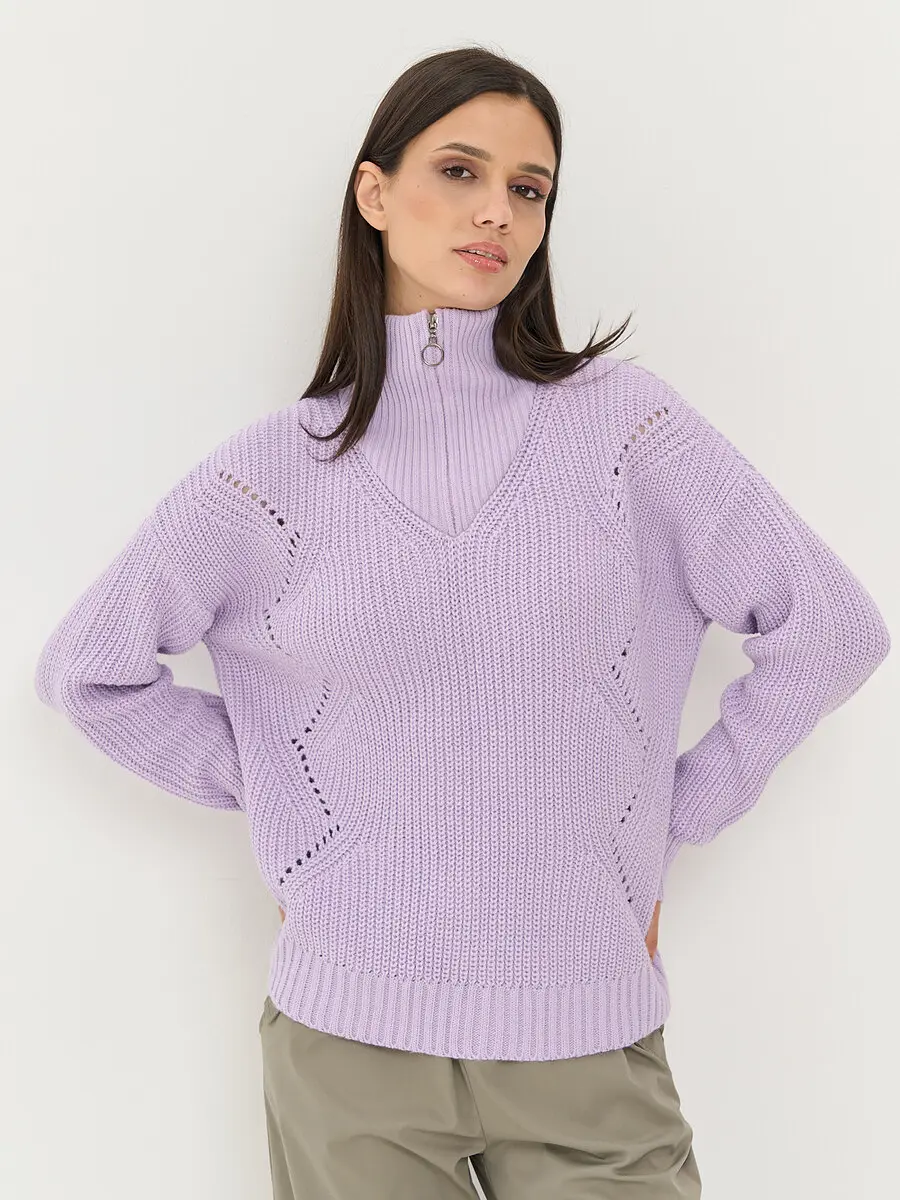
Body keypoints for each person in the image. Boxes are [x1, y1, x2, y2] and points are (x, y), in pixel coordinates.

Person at [34, 45, 890, 1200]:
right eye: (460, 170)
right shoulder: (270, 477)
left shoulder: (627, 433)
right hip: (348, 1047)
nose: (499, 211)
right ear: (374, 193)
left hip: (586, 1037)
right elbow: (90, 672)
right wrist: (302, 802)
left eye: (530, 189)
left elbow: (830, 628)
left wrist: (668, 820)